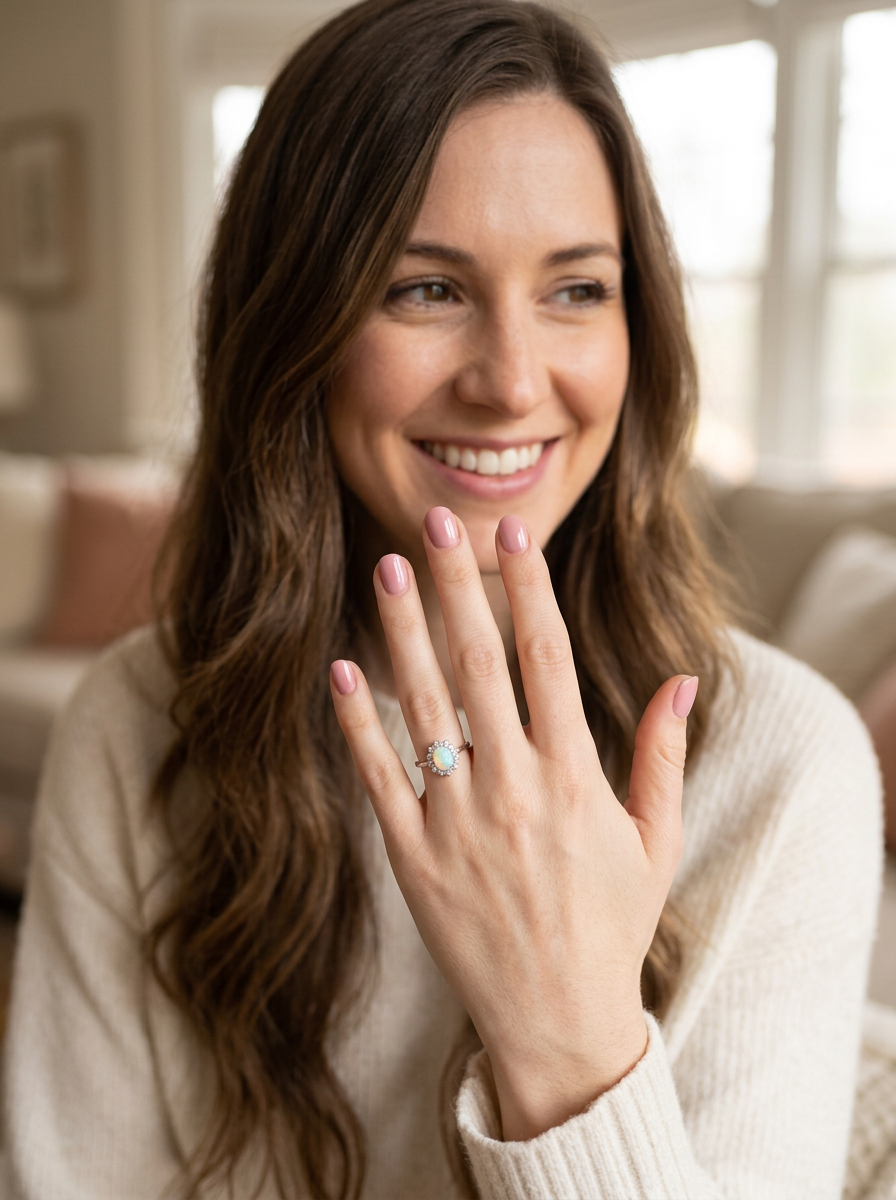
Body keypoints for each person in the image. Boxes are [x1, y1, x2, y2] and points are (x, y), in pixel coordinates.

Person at [1, 1, 883, 1197]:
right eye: (425, 290)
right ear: (292, 329)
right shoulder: (132, 723)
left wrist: (564, 1041)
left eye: (576, 290)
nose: (512, 380)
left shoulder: (788, 769)